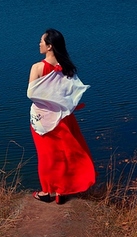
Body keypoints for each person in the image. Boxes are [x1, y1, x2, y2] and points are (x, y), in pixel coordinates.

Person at [27, 28, 95, 204]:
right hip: (63, 118)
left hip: (42, 119)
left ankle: (46, 191)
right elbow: (72, 94)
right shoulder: (67, 68)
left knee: (46, 155)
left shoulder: (38, 67)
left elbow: (31, 94)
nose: (39, 44)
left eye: (42, 41)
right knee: (64, 154)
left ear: (49, 46)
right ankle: (62, 192)